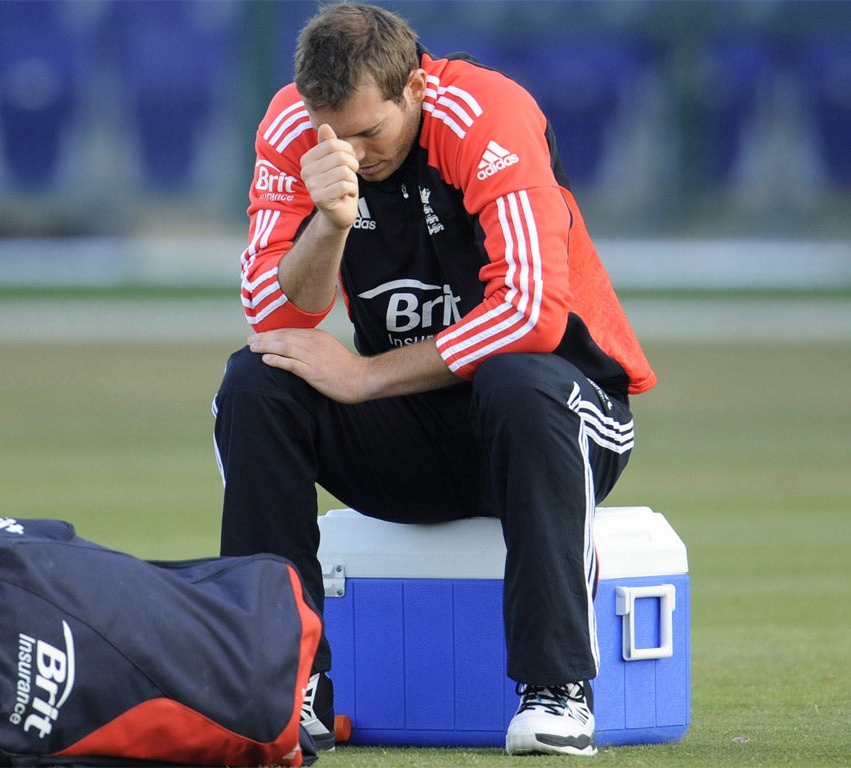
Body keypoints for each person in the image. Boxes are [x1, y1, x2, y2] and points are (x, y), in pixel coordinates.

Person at [213, 2, 657, 757]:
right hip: (417, 434)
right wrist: (328, 221)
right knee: (256, 383)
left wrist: (366, 376)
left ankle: (557, 690)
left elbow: (532, 313)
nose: (350, 154)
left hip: (564, 417)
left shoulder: (488, 113)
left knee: (520, 380)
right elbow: (272, 309)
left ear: (414, 86)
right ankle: (282, 687)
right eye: (333, 136)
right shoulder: (294, 128)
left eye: (367, 134)